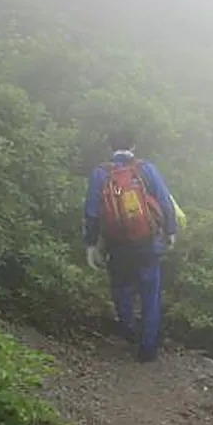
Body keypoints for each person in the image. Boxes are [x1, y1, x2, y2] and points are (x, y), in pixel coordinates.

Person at [83, 131, 178, 363]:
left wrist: (90, 245)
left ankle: (129, 330)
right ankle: (147, 349)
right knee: (150, 293)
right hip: (147, 243)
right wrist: (171, 231)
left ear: (110, 147)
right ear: (134, 146)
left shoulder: (100, 173)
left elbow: (92, 212)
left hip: (117, 245)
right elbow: (164, 201)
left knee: (121, 288)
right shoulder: (145, 169)